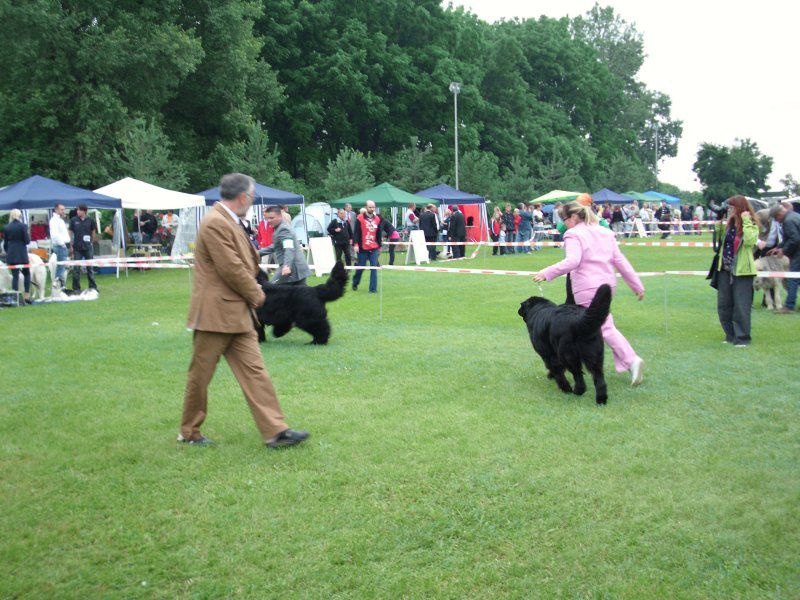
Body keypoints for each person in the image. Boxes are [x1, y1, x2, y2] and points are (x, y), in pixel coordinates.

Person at [180, 173, 308, 448]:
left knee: (256, 373)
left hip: (238, 315)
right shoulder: (215, 222)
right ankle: (189, 431)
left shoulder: (231, 221)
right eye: (251, 198)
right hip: (214, 315)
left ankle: (276, 431)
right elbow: (231, 268)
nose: (252, 203)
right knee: (200, 377)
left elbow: (246, 261)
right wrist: (259, 294)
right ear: (243, 198)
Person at [533, 200, 646, 385]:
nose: (563, 223)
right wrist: (637, 286)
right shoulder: (606, 232)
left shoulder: (573, 234)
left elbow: (572, 261)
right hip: (608, 285)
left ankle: (631, 360)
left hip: (587, 287)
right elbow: (621, 262)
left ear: (575, 217)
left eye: (565, 219)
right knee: (595, 326)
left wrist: (546, 272)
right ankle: (579, 363)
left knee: (603, 327)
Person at [713, 196, 761, 344]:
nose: (729, 210)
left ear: (739, 208)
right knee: (724, 305)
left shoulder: (750, 223)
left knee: (741, 306)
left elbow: (751, 241)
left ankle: (742, 338)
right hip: (725, 269)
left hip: (742, 270)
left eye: (731, 207)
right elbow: (719, 242)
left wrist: (746, 220)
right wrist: (719, 224)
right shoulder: (729, 224)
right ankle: (730, 335)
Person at [260, 205, 310, 285]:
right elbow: (275, 246)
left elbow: (289, 248)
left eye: (271, 218)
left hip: (292, 269)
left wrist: (287, 266)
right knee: (301, 295)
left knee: (270, 290)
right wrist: (259, 253)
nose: (268, 220)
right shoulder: (279, 228)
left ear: (280, 216)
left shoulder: (284, 229)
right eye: (266, 218)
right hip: (296, 268)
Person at [768, 202, 800, 314]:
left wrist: (783, 250)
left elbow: (795, 239)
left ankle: (789, 306)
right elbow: (789, 238)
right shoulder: (794, 216)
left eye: (776, 218)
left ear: (779, 214)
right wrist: (778, 247)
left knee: (793, 278)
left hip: (798, 254)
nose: (776, 221)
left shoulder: (788, 221)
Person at [351, 200, 384, 293]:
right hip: (362, 247)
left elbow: (379, 233)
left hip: (373, 248)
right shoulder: (360, 218)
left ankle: (372, 289)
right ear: (366, 207)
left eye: (373, 207)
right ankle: (355, 282)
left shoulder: (377, 219)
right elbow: (356, 232)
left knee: (374, 268)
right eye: (370, 207)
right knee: (361, 267)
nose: (372, 209)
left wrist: (380, 246)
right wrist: (356, 244)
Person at [2, 209, 31, 303]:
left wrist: (8, 251)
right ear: (20, 216)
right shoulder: (23, 226)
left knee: (15, 276)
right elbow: (27, 241)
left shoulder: (7, 227)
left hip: (12, 253)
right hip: (22, 253)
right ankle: (26, 296)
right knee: (26, 274)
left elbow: (5, 243)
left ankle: (15, 296)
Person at [68, 204, 98, 292]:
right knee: (76, 269)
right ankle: (76, 288)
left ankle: (93, 287)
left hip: (88, 247)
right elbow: (70, 232)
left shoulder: (90, 220)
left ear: (84, 211)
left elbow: (93, 231)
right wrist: (70, 245)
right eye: (77, 210)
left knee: (90, 268)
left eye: (80, 210)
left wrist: (91, 242)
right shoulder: (73, 220)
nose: (78, 212)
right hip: (77, 247)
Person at [49, 203, 70, 289]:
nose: (63, 211)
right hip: (60, 246)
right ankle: (58, 286)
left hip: (62, 245)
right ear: (56, 210)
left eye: (63, 209)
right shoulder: (54, 220)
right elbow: (55, 234)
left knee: (62, 267)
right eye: (61, 209)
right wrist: (62, 244)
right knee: (60, 268)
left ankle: (61, 286)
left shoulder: (60, 220)